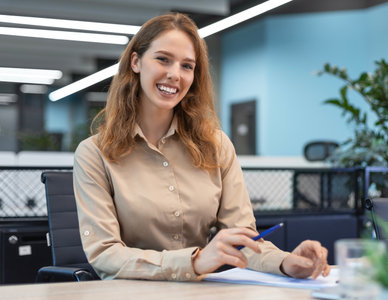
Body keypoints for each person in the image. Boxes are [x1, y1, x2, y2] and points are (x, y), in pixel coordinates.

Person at [73, 12, 330, 281]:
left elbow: (244, 239)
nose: (174, 74)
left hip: (198, 291)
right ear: (136, 62)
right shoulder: (94, 154)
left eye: (187, 66)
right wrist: (194, 261)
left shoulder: (216, 145)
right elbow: (105, 255)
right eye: (163, 59)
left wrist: (288, 262)